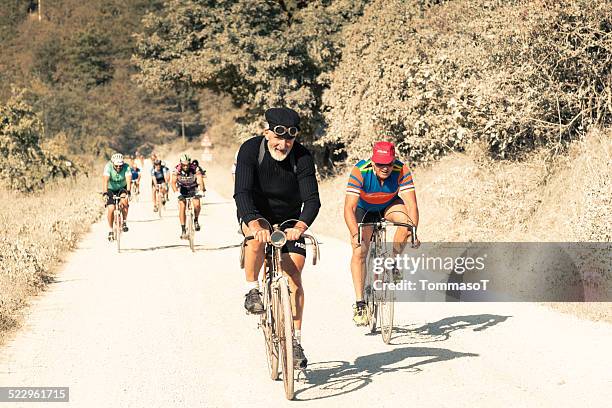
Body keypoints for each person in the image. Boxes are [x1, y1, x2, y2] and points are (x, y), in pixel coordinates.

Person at [234, 107, 321, 369]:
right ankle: (252, 290)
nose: (283, 145)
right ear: (267, 132)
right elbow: (242, 193)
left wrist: (301, 226)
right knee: (257, 240)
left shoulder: (302, 156)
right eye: (278, 138)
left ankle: (294, 341)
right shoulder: (251, 150)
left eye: (289, 140)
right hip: (256, 214)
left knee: (294, 271)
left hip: (290, 220)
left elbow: (312, 200)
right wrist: (253, 223)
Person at [344, 141, 420, 326]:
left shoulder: (402, 170)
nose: (384, 168)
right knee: (360, 251)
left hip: (389, 204)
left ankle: (393, 262)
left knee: (406, 224)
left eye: (388, 163)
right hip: (364, 208)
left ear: (394, 161)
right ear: (373, 161)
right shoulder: (360, 170)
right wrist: (355, 235)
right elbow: (349, 207)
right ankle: (360, 303)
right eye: (380, 164)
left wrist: (414, 232)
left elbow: (412, 205)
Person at [171, 154, 205, 239]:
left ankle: (196, 220)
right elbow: (173, 183)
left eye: (187, 165)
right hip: (182, 188)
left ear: (190, 164)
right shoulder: (177, 169)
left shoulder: (195, 168)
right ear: (181, 164)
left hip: (193, 187)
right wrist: (176, 193)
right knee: (182, 206)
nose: (185, 167)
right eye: (184, 165)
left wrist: (201, 190)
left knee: (197, 204)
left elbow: (200, 180)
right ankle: (183, 230)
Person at [102, 153, 132, 241]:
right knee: (111, 208)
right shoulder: (108, 167)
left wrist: (129, 192)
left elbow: (128, 180)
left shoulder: (126, 167)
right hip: (111, 189)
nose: (119, 168)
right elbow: (105, 181)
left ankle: (124, 222)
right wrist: (104, 193)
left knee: (125, 202)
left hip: (122, 188)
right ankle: (111, 230)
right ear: (113, 164)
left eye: (120, 166)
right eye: (117, 166)